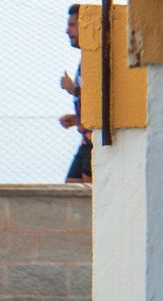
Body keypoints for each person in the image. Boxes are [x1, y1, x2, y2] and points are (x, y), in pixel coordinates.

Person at [60, 4, 92, 184]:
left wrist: (73, 89)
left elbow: (100, 96)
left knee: (89, 193)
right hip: (85, 140)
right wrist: (76, 118)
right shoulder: (86, 58)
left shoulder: (97, 58)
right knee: (71, 187)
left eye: (72, 25)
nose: (67, 31)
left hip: (93, 140)